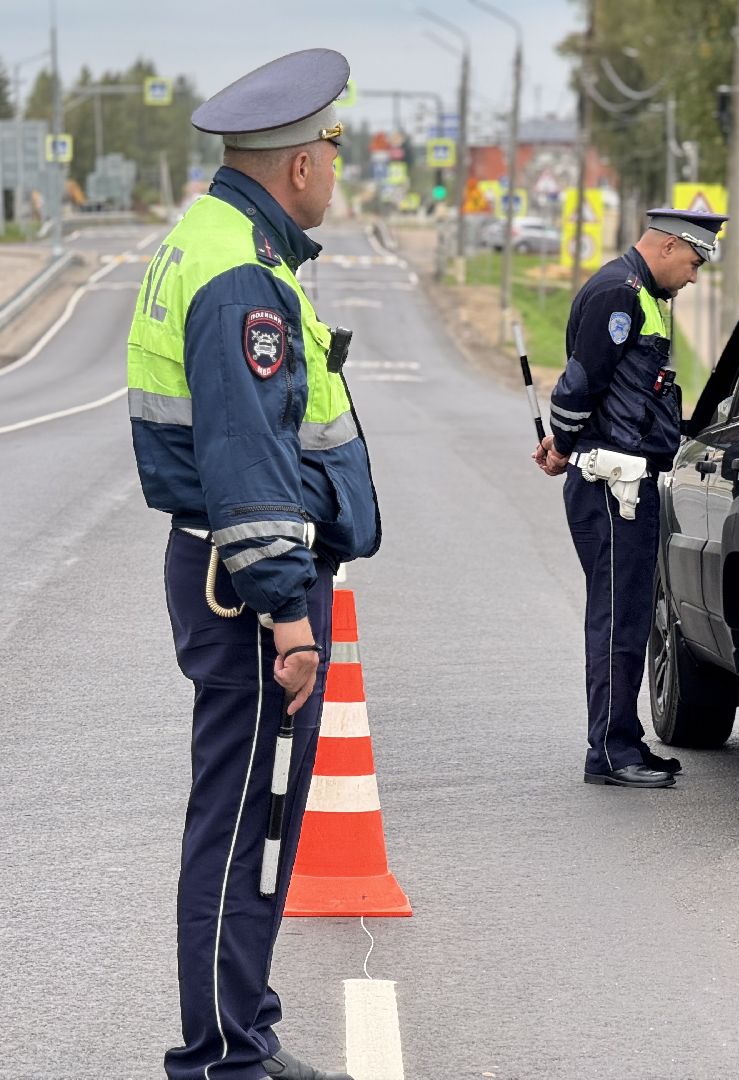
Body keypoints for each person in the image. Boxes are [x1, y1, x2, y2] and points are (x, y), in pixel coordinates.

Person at [127, 48, 380, 1080]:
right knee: (242, 824)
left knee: (252, 816)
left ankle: (244, 1028)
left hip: (232, 574)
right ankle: (223, 1057)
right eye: (334, 151)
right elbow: (247, 460)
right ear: (300, 164)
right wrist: (288, 613)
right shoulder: (241, 277)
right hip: (246, 588)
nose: (338, 169)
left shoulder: (221, 241)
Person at [533, 208, 728, 788]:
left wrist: (565, 443)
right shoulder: (620, 293)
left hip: (627, 484)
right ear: (667, 246)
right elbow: (580, 383)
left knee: (630, 617)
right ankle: (610, 753)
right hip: (612, 486)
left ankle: (624, 738)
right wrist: (563, 443)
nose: (693, 276)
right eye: (693, 261)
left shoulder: (639, 292)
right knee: (618, 620)